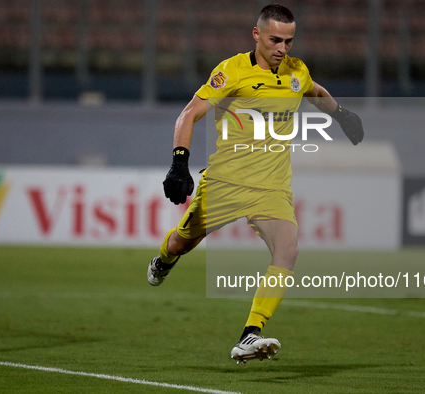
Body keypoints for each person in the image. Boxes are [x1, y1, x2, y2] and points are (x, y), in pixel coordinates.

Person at [147, 3, 364, 364]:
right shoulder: (231, 71)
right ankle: (165, 259)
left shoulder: (296, 71)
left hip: (272, 188)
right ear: (257, 35)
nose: (282, 48)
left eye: (289, 41)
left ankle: (251, 333)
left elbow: (313, 91)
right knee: (181, 242)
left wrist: (340, 115)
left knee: (288, 250)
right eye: (275, 39)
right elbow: (189, 113)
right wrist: (179, 163)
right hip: (226, 183)